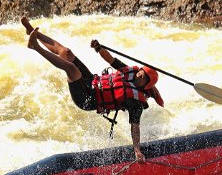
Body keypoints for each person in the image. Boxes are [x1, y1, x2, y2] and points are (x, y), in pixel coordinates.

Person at [22, 17, 164, 162]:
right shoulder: (129, 72)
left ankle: (35, 47)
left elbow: (135, 127)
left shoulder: (136, 103)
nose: (139, 76)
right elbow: (110, 59)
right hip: (91, 80)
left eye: (143, 78)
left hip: (88, 99)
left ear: (146, 85)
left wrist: (137, 150)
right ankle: (33, 32)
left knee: (71, 69)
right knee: (66, 53)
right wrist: (98, 48)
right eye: (141, 73)